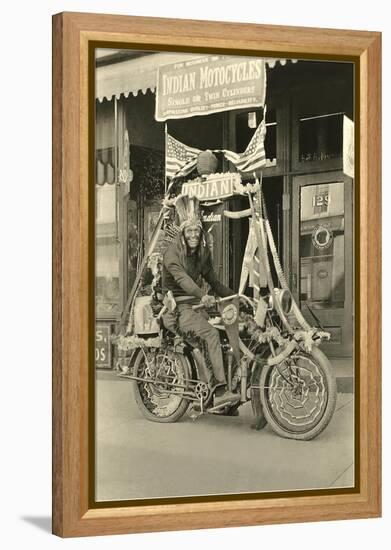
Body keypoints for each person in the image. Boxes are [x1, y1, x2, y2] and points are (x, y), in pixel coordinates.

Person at [162, 195, 238, 407]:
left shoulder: (202, 254)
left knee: (222, 335)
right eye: (189, 231)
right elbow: (183, 280)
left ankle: (212, 395)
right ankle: (221, 391)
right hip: (175, 310)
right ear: (183, 233)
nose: (194, 234)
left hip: (195, 307)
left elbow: (214, 281)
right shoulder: (172, 254)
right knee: (210, 334)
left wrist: (235, 296)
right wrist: (201, 295)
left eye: (197, 230)